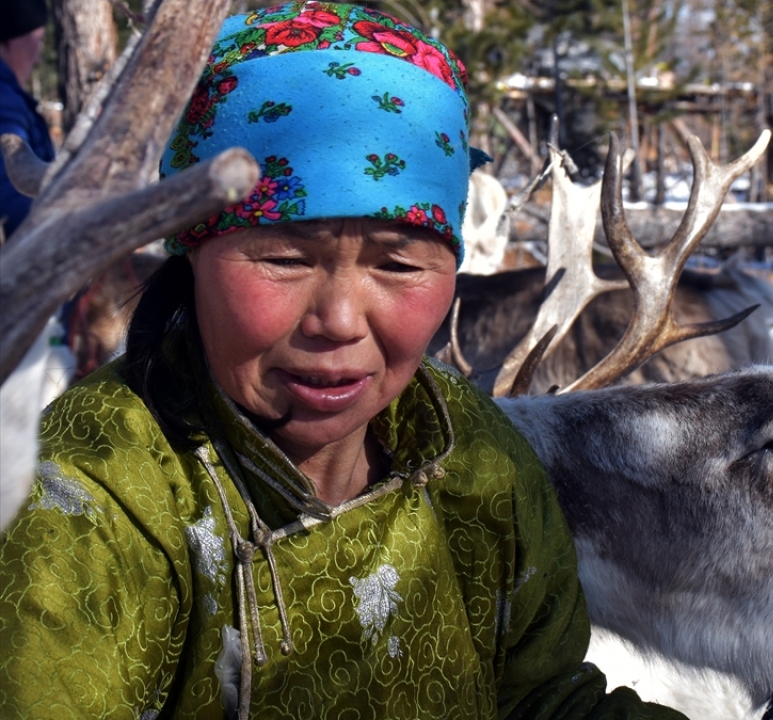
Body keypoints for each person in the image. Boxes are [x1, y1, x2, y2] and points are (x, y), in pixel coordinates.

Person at [0, 4, 686, 718]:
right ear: (191, 251)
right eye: (285, 258)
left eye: (397, 265)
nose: (340, 322)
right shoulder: (81, 504)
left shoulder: (469, 453)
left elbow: (541, 700)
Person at [0, 0, 55, 238]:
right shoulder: (5, 101)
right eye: (37, 41)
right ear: (9, 42)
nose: (38, 57)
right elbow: (12, 199)